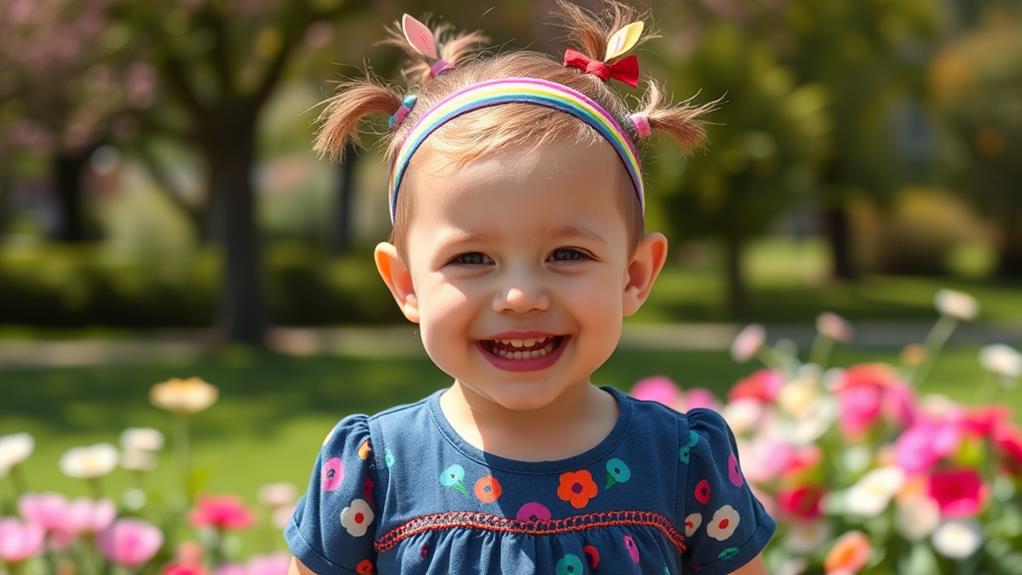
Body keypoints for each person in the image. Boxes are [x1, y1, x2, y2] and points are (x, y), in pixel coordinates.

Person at [284, 1, 776, 573]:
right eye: (471, 258)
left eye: (567, 254)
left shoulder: (684, 463)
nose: (521, 296)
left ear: (634, 274)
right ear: (406, 283)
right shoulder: (374, 471)